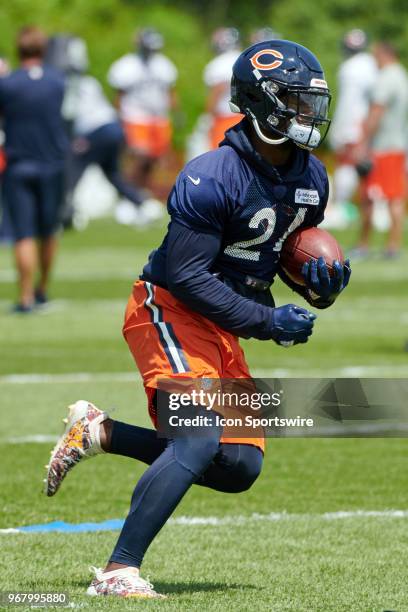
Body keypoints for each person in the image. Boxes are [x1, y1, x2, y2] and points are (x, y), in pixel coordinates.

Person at [44, 40, 351, 598]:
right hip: (169, 309)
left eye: (312, 103)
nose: (309, 114)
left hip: (224, 320)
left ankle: (100, 432)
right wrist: (266, 322)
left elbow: (279, 254)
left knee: (238, 467)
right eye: (297, 101)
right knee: (198, 435)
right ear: (262, 103)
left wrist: (319, 289)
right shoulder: (213, 173)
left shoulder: (312, 179)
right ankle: (118, 571)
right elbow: (187, 275)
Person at [0, 26, 68, 312]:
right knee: (49, 230)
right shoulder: (57, 82)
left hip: (18, 165)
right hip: (52, 164)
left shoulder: (8, 84)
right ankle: (42, 289)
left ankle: (25, 297)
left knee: (24, 232)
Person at [62, 40, 163, 227]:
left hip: (95, 131)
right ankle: (144, 203)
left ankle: (66, 211)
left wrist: (77, 139)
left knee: (72, 169)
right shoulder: (89, 82)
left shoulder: (67, 85)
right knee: (113, 174)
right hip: (113, 127)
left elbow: (70, 116)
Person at [354, 41, 408, 257]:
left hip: (381, 147)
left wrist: (362, 143)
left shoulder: (386, 78)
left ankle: (364, 245)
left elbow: (376, 112)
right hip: (397, 145)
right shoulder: (401, 75)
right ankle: (392, 245)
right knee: (395, 195)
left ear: (384, 54)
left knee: (369, 197)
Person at [107, 28, 178, 190]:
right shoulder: (127, 65)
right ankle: (129, 191)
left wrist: (176, 112)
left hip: (159, 117)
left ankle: (142, 192)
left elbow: (171, 91)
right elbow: (119, 95)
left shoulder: (163, 64)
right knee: (139, 155)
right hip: (135, 116)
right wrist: (116, 117)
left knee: (155, 158)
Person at [329, 29, 377, 214]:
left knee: (347, 164)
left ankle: (342, 206)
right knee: (367, 166)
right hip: (368, 121)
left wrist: (340, 129)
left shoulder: (349, 68)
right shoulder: (371, 64)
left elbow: (347, 103)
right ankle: (371, 207)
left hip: (353, 123)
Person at [203, 27, 242, 150]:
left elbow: (218, 90)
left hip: (225, 118)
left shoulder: (218, 64)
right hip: (248, 116)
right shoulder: (243, 58)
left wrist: (208, 116)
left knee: (221, 156)